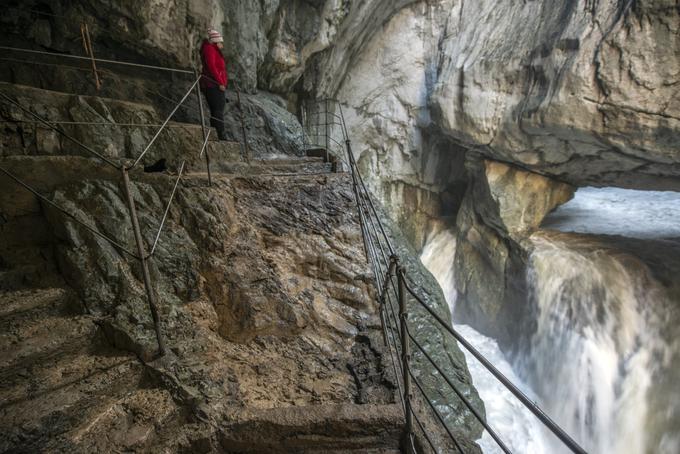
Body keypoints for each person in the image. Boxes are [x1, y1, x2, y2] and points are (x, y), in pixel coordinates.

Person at [200, 28, 228, 140]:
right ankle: (221, 135)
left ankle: (217, 134)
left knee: (217, 108)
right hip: (212, 85)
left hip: (214, 84)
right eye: (220, 42)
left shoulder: (213, 49)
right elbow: (212, 67)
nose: (222, 44)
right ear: (215, 41)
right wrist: (220, 82)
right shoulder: (209, 49)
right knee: (218, 108)